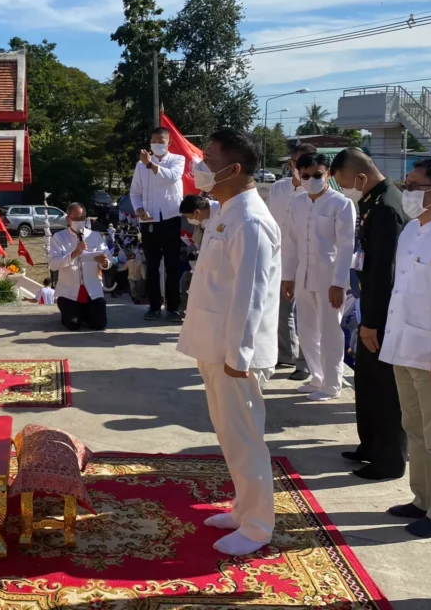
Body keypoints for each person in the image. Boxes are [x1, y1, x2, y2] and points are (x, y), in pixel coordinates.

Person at [177, 129, 281, 556]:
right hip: (214, 343)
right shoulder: (226, 211)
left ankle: (257, 526)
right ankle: (243, 508)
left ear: (233, 169)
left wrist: (239, 354)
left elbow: (251, 294)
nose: (200, 166)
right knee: (228, 434)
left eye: (209, 158)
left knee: (244, 438)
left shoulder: (252, 219)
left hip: (234, 352)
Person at [379, 158, 431, 539]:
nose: (406, 190)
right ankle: (422, 498)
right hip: (403, 343)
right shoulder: (412, 229)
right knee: (413, 427)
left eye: (413, 185)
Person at [331, 147, 408, 481]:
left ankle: (388, 459)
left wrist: (373, 322)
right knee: (366, 382)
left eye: (344, 183)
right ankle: (370, 446)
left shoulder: (388, 206)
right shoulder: (372, 201)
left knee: (384, 390)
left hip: (383, 313)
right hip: (367, 305)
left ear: (360, 177)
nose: (345, 190)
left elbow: (383, 273)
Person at [281, 153, 355, 401]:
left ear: (328, 175)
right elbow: (291, 242)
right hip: (303, 276)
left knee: (330, 330)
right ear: (299, 176)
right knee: (307, 329)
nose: (311, 179)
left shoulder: (341, 204)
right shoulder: (298, 203)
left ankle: (333, 383)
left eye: (317, 175)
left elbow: (346, 246)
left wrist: (338, 283)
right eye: (306, 176)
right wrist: (288, 276)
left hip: (329, 278)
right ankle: (318, 377)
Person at [266, 143, 317, 381]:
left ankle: (306, 363)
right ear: (291, 165)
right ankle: (285, 354)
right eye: (299, 163)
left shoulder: (318, 193)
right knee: (280, 310)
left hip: (308, 260)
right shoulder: (278, 188)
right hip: (279, 258)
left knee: (306, 313)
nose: (302, 169)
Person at [130, 126, 185, 322]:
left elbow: (171, 178)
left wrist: (150, 165)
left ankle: (173, 308)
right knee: (152, 266)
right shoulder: (140, 165)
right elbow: (135, 192)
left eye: (161, 141)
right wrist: (138, 209)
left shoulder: (177, 160)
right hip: (149, 220)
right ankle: (153, 306)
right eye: (154, 141)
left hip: (171, 218)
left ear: (169, 143)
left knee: (172, 265)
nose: (157, 144)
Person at [48, 203, 112, 331]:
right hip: (69, 292)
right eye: (76, 219)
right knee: (73, 325)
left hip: (92, 290)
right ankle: (71, 314)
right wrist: (73, 254)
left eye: (83, 218)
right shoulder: (59, 237)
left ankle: (86, 313)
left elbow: (108, 260)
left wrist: (104, 262)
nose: (80, 222)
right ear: (68, 219)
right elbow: (53, 264)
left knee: (99, 325)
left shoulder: (95, 236)